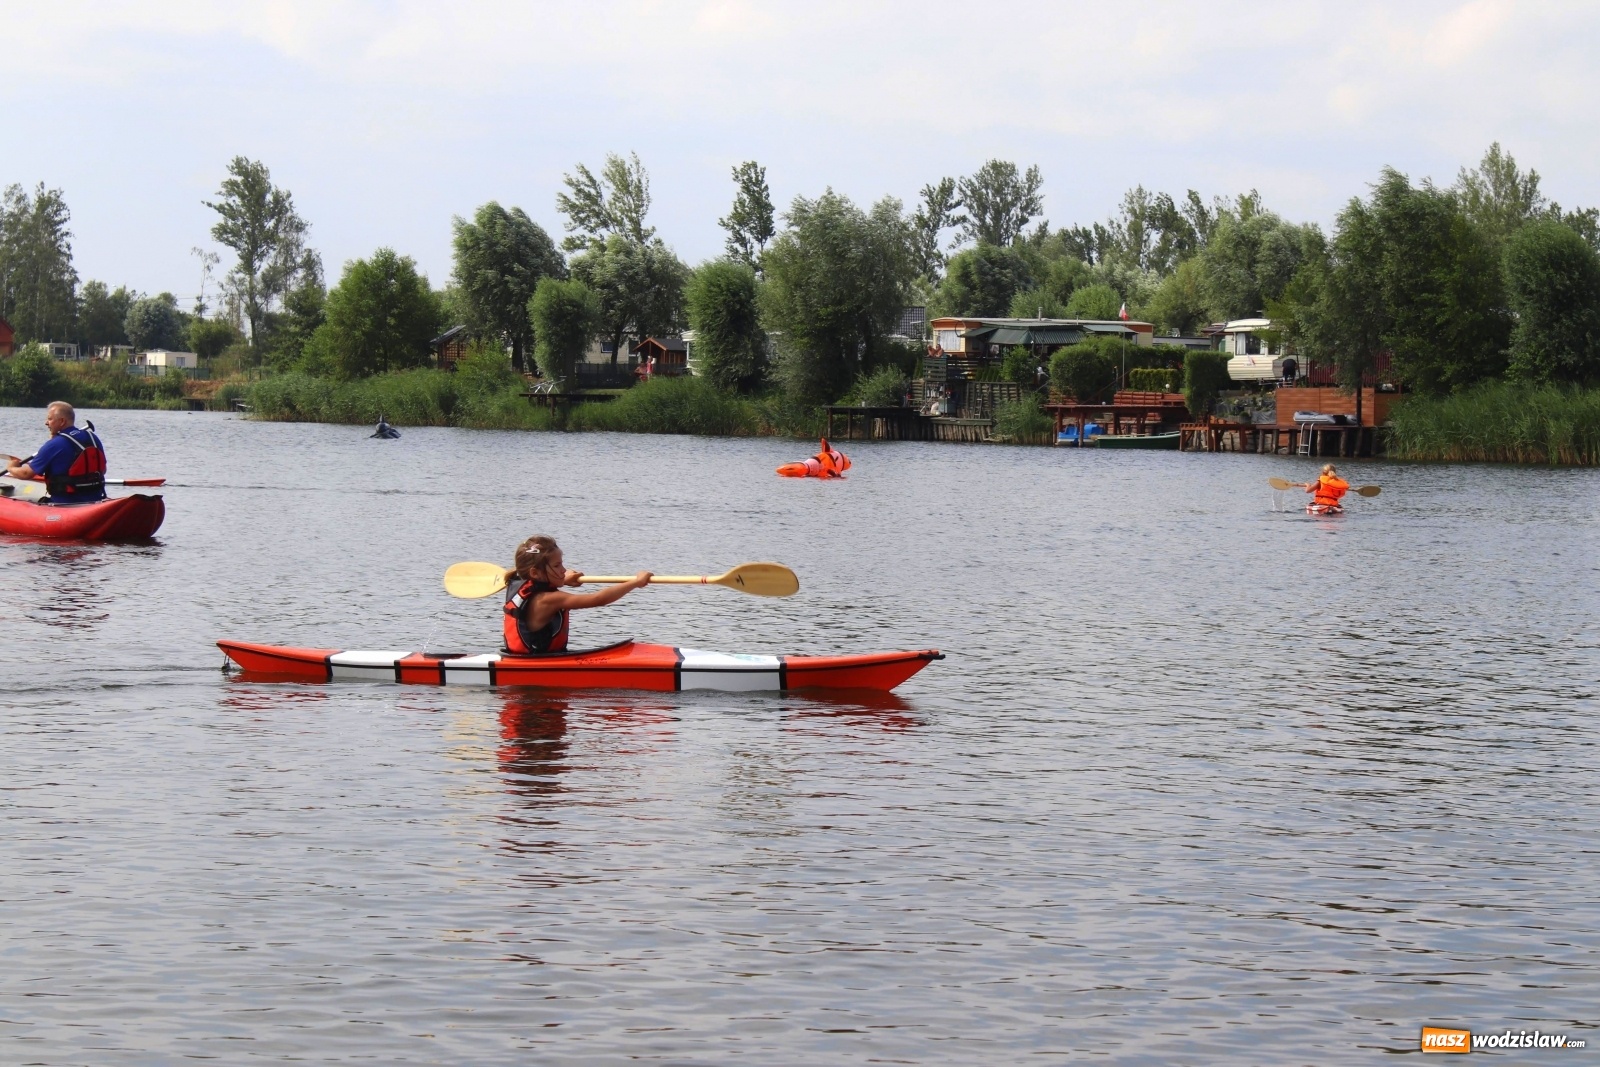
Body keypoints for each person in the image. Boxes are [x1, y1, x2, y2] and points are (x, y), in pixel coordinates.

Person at [502, 535, 651, 655]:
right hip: (537, 663)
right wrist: (635, 582)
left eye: (561, 564)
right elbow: (599, 599)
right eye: (556, 566)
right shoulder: (549, 600)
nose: (563, 570)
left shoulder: (522, 585)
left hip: (525, 657)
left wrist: (564, 580)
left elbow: (539, 585)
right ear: (535, 573)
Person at [3, 401, 107, 503]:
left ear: (62, 421)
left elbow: (26, 474)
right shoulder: (92, 437)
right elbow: (104, 470)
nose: (46, 422)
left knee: (14, 501)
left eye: (50, 419)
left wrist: (11, 467)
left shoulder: (54, 444)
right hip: (95, 501)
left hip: (64, 504)